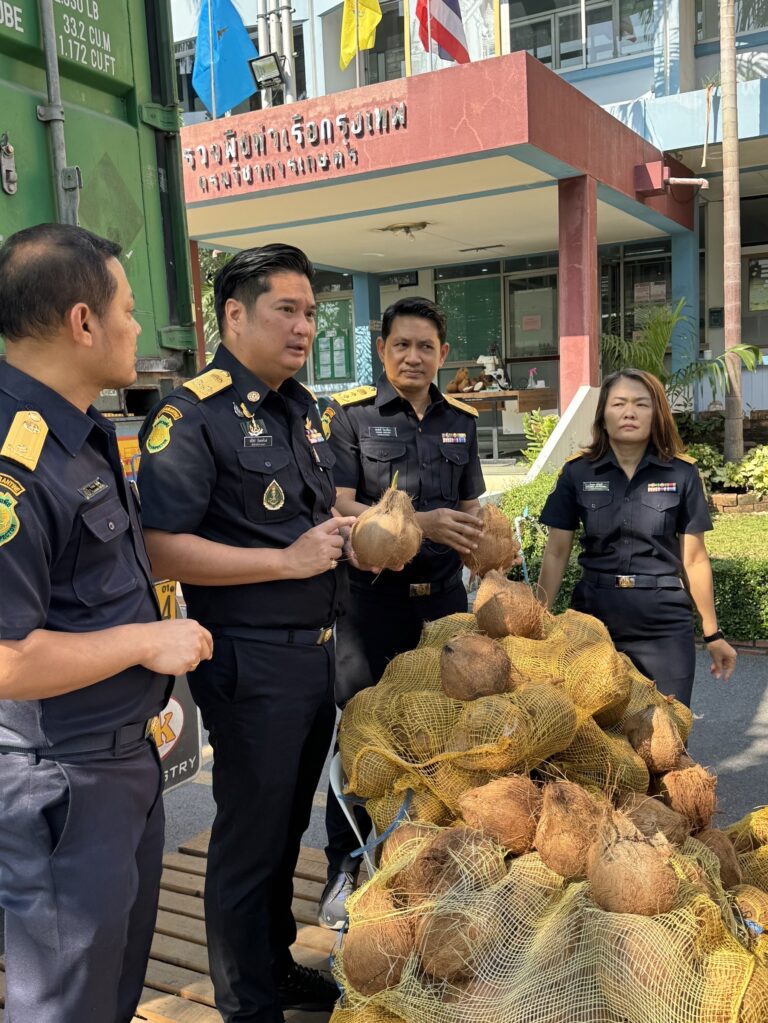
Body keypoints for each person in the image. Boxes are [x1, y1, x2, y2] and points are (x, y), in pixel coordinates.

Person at [0, 223, 213, 1023]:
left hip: (126, 766)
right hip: (62, 781)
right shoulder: (13, 459)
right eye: (126, 308)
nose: (136, 328)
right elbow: (5, 659)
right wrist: (146, 640)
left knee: (111, 989)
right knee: (65, 1004)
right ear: (82, 321)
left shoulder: (81, 432)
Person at [136, 244, 354, 1023]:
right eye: (285, 310)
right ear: (234, 315)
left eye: (310, 312)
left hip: (316, 658)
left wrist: (369, 528)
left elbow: (314, 516)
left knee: (285, 828)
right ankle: (247, 1004)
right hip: (251, 661)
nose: (303, 327)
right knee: (248, 843)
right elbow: (161, 545)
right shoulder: (191, 413)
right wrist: (286, 560)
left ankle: (272, 966)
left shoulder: (302, 406)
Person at [318, 296, 494, 929]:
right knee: (362, 733)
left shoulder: (461, 420)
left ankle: (425, 863)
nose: (413, 357)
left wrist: (493, 550)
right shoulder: (351, 417)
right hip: (370, 605)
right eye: (401, 345)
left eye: (425, 346)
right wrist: (419, 521)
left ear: (442, 354)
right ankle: (346, 863)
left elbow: (473, 504)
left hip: (443, 607)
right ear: (383, 349)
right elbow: (340, 502)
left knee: (443, 735)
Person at [537, 368, 737, 707]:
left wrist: (713, 632)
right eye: (619, 403)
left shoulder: (682, 473)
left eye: (641, 404)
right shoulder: (577, 472)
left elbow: (694, 558)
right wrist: (538, 614)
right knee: (591, 735)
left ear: (656, 413)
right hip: (592, 621)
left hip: (663, 622)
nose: (629, 412)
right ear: (603, 414)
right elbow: (556, 551)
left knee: (667, 733)